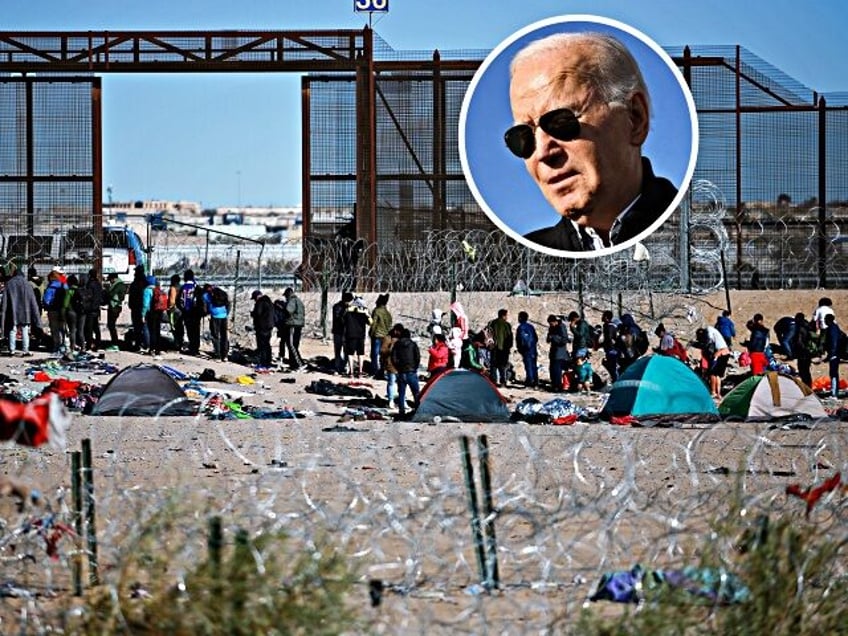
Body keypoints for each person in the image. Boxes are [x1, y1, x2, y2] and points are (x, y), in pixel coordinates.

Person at [506, 32, 678, 251]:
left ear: (634, 118)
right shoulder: (523, 257)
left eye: (561, 121)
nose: (542, 152)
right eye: (522, 137)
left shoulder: (694, 237)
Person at [0, 262, 41, 356]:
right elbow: (32, 300)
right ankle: (25, 350)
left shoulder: (9, 284)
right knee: (25, 330)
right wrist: (36, 315)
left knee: (12, 330)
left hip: (12, 311)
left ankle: (12, 350)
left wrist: (3, 311)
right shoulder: (27, 284)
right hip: (25, 311)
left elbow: (5, 300)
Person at [391, 327, 421, 418]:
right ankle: (418, 410)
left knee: (401, 393)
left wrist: (398, 367)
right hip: (411, 371)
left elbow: (393, 358)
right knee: (416, 393)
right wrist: (415, 367)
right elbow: (417, 357)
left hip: (401, 372)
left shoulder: (397, 344)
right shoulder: (413, 344)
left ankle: (401, 411)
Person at [695, 326, 731, 399]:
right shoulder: (714, 332)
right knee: (717, 375)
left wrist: (712, 358)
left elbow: (709, 345)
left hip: (720, 353)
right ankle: (718, 394)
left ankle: (713, 392)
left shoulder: (709, 331)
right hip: (725, 352)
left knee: (712, 373)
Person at [343, 296, 371, 377]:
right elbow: (370, 322)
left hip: (350, 335)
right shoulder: (363, 313)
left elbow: (342, 321)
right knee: (360, 354)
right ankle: (360, 372)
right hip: (361, 336)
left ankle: (351, 372)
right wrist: (367, 313)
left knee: (350, 354)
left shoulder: (348, 312)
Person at [42, 267, 68, 354]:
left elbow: (46, 300)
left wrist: (47, 305)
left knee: (54, 329)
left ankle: (56, 346)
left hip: (53, 310)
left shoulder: (51, 285)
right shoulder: (64, 284)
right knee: (63, 328)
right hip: (63, 309)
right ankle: (64, 345)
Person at [178, 269, 202, 356]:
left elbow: (179, 301)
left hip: (187, 313)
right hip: (196, 313)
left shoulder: (183, 287)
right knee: (196, 330)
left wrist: (182, 309)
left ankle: (192, 348)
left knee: (190, 331)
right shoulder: (197, 287)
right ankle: (196, 348)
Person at [280, 287, 305, 370]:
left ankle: (299, 364)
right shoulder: (299, 301)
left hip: (293, 324)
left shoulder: (292, 300)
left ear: (288, 294)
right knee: (294, 345)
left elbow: (288, 310)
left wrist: (282, 306)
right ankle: (293, 363)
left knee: (291, 345)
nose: (285, 298)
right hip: (299, 324)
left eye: (286, 296)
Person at [204, 284, 230, 362]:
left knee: (215, 336)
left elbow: (205, 307)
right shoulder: (222, 293)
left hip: (215, 316)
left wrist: (207, 313)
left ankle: (217, 356)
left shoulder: (206, 295)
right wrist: (226, 313)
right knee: (224, 335)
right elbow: (228, 304)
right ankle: (225, 356)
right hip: (224, 315)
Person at [250, 290, 275, 369]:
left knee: (262, 345)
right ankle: (268, 361)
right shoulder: (269, 302)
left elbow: (258, 313)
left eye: (254, 298)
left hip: (262, 326)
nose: (254, 300)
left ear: (257, 297)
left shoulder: (260, 302)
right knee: (267, 345)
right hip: (269, 326)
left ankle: (263, 363)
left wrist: (252, 313)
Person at [369, 293, 392, 379]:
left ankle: (374, 370)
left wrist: (371, 333)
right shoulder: (387, 313)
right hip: (385, 335)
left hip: (377, 335)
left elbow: (373, 323)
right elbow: (389, 324)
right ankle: (382, 370)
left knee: (374, 354)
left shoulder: (376, 311)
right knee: (383, 355)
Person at [489, 308, 513, 387]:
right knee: (502, 365)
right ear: (504, 316)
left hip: (494, 348)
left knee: (493, 365)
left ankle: (493, 381)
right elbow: (510, 337)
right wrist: (509, 347)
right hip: (503, 349)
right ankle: (503, 381)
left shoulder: (492, 323)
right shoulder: (507, 325)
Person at [546, 314, 570, 392]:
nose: (551, 325)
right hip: (553, 351)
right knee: (552, 369)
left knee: (557, 370)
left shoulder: (561, 327)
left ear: (555, 321)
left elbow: (564, 340)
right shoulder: (551, 328)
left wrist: (554, 337)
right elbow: (549, 338)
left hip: (560, 353)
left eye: (551, 323)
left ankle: (558, 386)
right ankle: (554, 384)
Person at [81, 269, 104, 351]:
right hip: (97, 308)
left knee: (89, 328)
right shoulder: (98, 284)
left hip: (90, 309)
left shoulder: (90, 284)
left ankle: (89, 345)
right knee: (96, 328)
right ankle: (98, 344)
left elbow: (88, 296)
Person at [103, 272, 127, 351]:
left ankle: (115, 344)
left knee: (111, 325)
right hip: (115, 307)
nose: (110, 281)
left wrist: (106, 291)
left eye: (110, 279)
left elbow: (111, 294)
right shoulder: (120, 285)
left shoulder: (118, 285)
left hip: (114, 307)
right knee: (111, 325)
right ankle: (114, 343)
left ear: (114, 278)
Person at [515, 311, 539, 387]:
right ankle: (535, 381)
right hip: (533, 349)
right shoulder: (531, 327)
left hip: (526, 350)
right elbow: (536, 338)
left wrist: (521, 348)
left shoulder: (521, 327)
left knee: (528, 365)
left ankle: (530, 381)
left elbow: (521, 339)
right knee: (533, 365)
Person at [381, 323, 402, 409]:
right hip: (391, 364)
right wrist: (391, 347)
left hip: (400, 365)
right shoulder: (388, 338)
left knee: (401, 384)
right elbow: (383, 351)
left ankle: (402, 400)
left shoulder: (402, 339)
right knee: (391, 383)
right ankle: (391, 399)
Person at [331, 291, 353, 374]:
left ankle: (344, 366)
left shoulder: (347, 307)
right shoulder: (338, 307)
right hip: (339, 332)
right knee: (338, 350)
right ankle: (338, 367)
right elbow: (340, 319)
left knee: (346, 351)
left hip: (345, 332)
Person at [127, 265, 148, 352]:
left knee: (137, 328)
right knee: (144, 326)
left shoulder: (134, 284)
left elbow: (131, 297)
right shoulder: (146, 283)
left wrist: (131, 305)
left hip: (136, 308)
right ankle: (147, 344)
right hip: (144, 307)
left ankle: (138, 344)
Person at [792, 312, 814, 389]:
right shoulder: (808, 326)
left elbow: (799, 342)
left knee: (803, 372)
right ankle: (809, 387)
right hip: (808, 353)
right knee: (807, 372)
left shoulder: (800, 328)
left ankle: (806, 388)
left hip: (802, 354)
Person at [823, 314, 843, 398]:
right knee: (833, 373)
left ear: (828, 320)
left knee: (833, 373)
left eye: (825, 319)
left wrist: (831, 354)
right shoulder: (834, 328)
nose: (824, 321)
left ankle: (834, 393)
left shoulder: (832, 329)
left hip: (834, 354)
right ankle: (834, 391)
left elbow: (833, 343)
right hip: (835, 354)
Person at [599, 310, 620, 382]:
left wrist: (603, 344)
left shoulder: (610, 327)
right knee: (611, 366)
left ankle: (616, 381)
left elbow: (609, 338)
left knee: (612, 367)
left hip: (611, 349)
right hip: (610, 349)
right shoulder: (608, 326)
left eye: (603, 315)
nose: (601, 317)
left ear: (606, 317)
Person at [167, 273, 184, 353]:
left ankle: (177, 345)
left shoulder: (173, 288)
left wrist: (169, 308)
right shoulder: (181, 288)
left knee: (174, 327)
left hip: (174, 310)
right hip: (181, 310)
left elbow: (172, 300)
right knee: (180, 327)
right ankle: (180, 343)